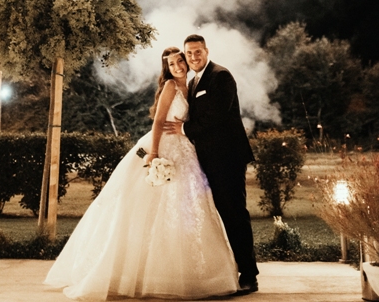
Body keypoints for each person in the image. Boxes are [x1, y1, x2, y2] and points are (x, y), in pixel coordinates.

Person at [44, 47, 238, 301]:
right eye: (172, 64)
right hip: (165, 147)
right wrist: (154, 153)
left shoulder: (191, 86)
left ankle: (184, 273)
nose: (178, 66)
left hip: (186, 149)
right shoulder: (170, 86)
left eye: (180, 61)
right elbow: (158, 121)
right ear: (167, 69)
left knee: (188, 208)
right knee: (147, 208)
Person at [163, 35, 259, 295]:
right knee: (221, 215)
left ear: (206, 51)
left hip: (228, 158)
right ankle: (232, 269)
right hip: (208, 160)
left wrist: (184, 129)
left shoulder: (220, 76)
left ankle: (249, 275)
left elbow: (216, 116)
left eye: (197, 52)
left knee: (234, 214)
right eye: (189, 53)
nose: (193, 57)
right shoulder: (194, 81)